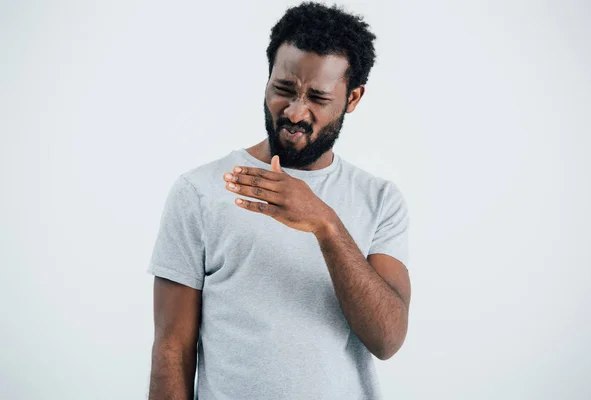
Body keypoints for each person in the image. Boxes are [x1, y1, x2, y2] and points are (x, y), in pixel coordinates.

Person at [147, 2, 411, 399]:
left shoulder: (379, 200)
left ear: (353, 98)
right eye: (283, 89)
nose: (294, 112)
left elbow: (387, 339)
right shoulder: (199, 190)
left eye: (318, 98)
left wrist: (325, 224)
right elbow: (171, 349)